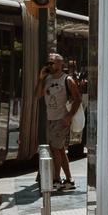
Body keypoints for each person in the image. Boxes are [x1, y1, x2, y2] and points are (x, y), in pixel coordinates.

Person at [32, 52, 81, 190]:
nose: (49, 65)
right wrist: (41, 78)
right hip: (51, 119)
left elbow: (78, 99)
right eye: (48, 62)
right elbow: (37, 95)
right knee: (59, 150)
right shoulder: (47, 79)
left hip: (62, 119)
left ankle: (56, 179)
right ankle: (69, 180)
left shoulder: (67, 80)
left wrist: (69, 116)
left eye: (52, 62)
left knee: (55, 149)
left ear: (60, 64)